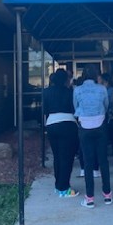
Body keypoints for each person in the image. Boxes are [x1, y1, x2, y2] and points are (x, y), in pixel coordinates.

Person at [73, 64, 111, 208]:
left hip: (84, 126)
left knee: (88, 163)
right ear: (97, 75)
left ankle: (89, 198)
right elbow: (106, 105)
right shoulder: (102, 89)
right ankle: (107, 194)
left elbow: (75, 106)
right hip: (100, 124)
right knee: (103, 160)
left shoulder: (77, 89)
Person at [43, 69, 80, 198]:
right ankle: (64, 188)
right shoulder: (71, 92)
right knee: (67, 157)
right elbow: (75, 108)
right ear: (66, 79)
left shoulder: (46, 92)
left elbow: (44, 110)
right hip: (68, 124)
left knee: (57, 156)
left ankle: (58, 185)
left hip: (51, 124)